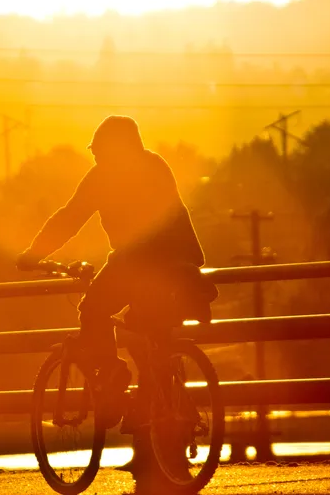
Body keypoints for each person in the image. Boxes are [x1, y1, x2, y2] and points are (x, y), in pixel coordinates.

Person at [17, 115, 215, 432]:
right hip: (179, 264)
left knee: (93, 308)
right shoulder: (154, 164)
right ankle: (169, 409)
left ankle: (112, 374)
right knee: (149, 335)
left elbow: (71, 217)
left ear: (112, 149)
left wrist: (35, 254)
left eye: (98, 150)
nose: (95, 156)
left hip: (141, 261)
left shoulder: (105, 176)